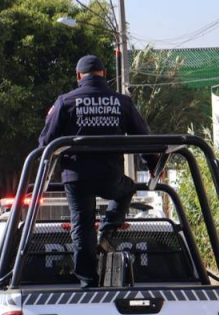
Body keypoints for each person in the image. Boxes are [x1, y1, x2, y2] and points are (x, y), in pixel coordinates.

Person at [38, 54, 152, 288]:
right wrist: (152, 165)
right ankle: (107, 232)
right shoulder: (122, 102)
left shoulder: (65, 102)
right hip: (110, 176)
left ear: (78, 76)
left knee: (82, 226)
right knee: (128, 188)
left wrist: (44, 171)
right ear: (104, 74)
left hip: (76, 178)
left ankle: (87, 282)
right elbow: (145, 139)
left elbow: (45, 142)